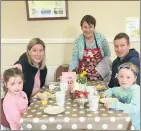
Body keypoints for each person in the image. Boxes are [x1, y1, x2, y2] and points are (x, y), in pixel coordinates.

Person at [69, 15, 111, 81]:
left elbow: (107, 55)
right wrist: (69, 75)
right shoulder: (78, 40)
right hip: (83, 78)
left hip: (100, 78)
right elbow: (74, 59)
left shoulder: (101, 38)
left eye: (90, 27)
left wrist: (101, 70)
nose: (88, 30)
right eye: (85, 27)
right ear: (81, 28)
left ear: (94, 27)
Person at [101, 62, 140, 130]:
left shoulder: (136, 91)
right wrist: (106, 93)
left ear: (134, 79)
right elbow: (112, 90)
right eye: (121, 76)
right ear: (117, 77)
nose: (124, 80)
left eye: (128, 77)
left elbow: (134, 109)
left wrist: (115, 105)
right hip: (121, 121)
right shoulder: (121, 89)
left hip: (134, 125)